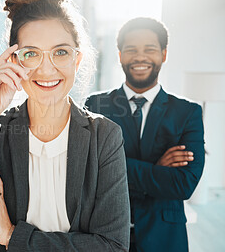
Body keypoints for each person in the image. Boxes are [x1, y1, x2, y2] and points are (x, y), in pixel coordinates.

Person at [0, 0, 130, 251]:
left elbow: (112, 246)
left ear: (77, 60)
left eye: (60, 52)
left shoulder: (103, 136)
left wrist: (13, 237)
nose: (47, 69)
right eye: (31, 53)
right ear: (14, 61)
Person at [85, 17, 205, 252]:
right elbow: (88, 170)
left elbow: (184, 184)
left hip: (164, 238)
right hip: (105, 235)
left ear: (163, 54)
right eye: (131, 49)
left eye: (149, 49)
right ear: (120, 55)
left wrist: (113, 166)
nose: (140, 57)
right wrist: (157, 169)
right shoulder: (96, 105)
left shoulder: (187, 112)